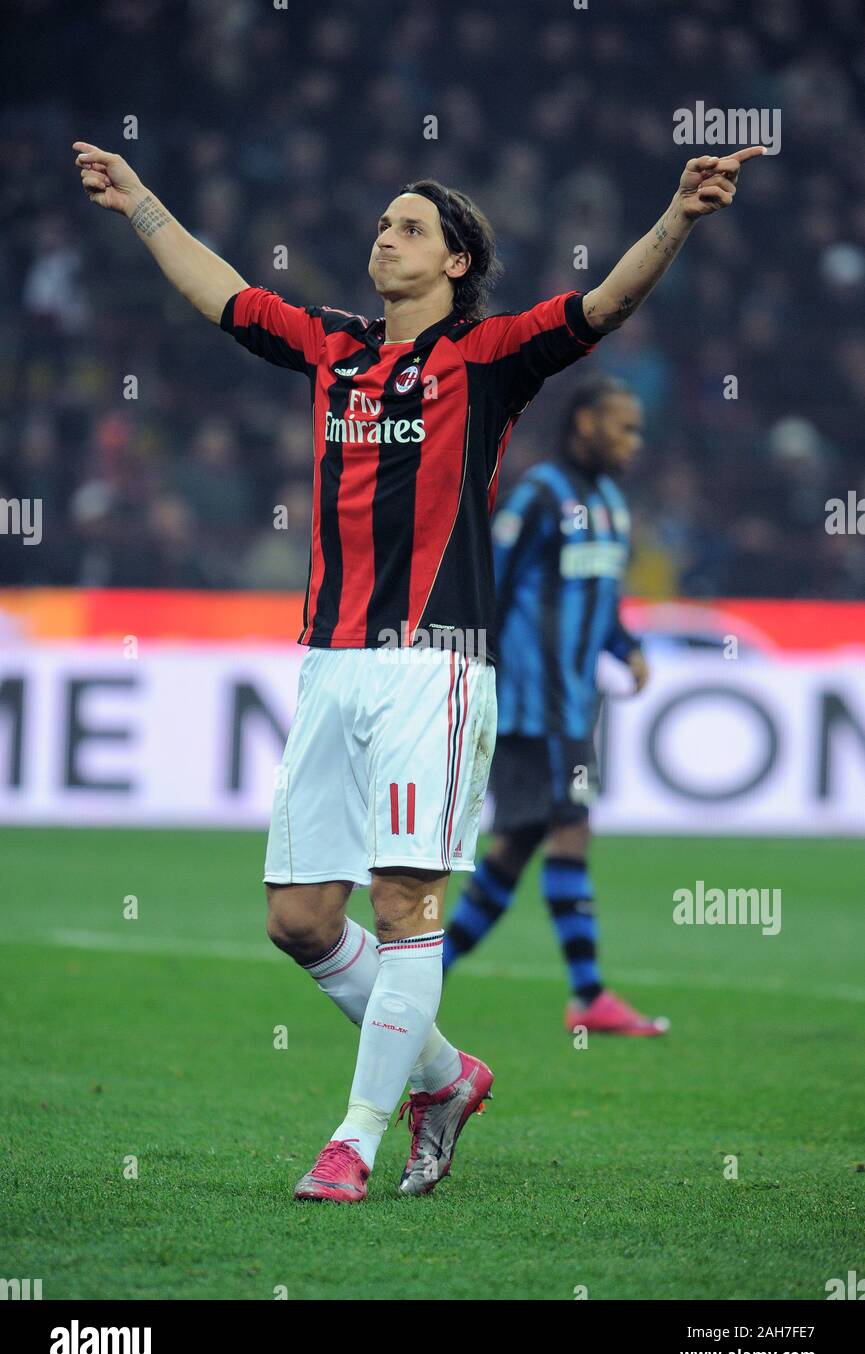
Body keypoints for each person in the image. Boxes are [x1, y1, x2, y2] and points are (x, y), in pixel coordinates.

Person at [73, 137, 763, 1202]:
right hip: (329, 662)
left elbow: (604, 306)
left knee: (403, 901)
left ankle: (353, 1139)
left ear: (454, 261)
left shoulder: (486, 357)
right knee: (298, 920)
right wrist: (139, 203)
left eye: (409, 227)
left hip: (432, 669)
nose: (383, 237)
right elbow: (224, 294)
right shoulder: (332, 347)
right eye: (383, 222)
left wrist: (677, 215)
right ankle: (443, 1076)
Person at [444, 375, 669, 1036]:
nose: (634, 442)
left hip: (573, 707)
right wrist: (474, 673)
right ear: (584, 423)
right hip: (530, 705)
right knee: (569, 826)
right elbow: (487, 584)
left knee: (518, 844)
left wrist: (625, 646)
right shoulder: (539, 496)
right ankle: (588, 993)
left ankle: (429, 969)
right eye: (624, 427)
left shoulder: (612, 503)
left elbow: (598, 597)